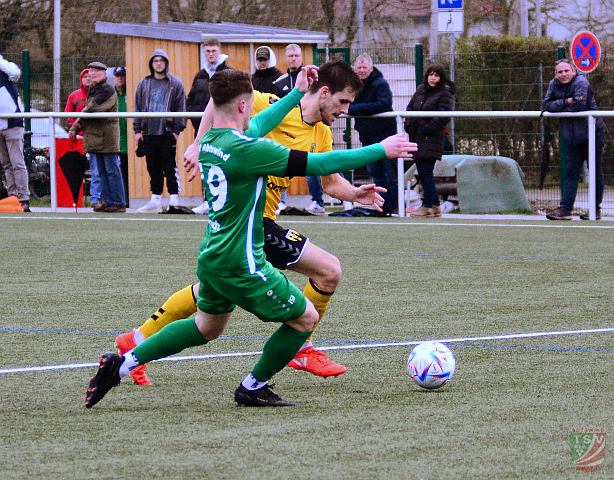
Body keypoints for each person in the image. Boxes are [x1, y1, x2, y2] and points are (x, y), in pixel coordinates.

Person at [85, 67, 415, 409]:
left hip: (213, 254)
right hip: (242, 261)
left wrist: (295, 93)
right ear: (245, 105)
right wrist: (381, 148)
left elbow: (262, 124)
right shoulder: (252, 151)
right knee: (305, 318)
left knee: (206, 328)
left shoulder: (213, 141)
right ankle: (253, 386)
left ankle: (122, 363)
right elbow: (320, 164)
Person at [544, 59, 606, 221]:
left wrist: (563, 106)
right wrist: (566, 101)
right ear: (555, 74)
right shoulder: (553, 84)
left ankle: (595, 210)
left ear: (573, 71)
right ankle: (565, 210)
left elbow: (579, 105)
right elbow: (546, 105)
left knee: (595, 171)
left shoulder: (581, 82)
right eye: (560, 72)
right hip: (570, 137)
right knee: (570, 172)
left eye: (566, 71)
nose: (563, 74)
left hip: (592, 134)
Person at [273, 44, 325, 215]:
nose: (293, 58)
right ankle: (280, 201)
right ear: (286, 58)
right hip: (287, 131)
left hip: (309, 130)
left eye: (296, 55)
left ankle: (318, 201)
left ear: (301, 57)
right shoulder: (279, 82)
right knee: (280, 164)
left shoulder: (313, 80)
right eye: (290, 56)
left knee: (313, 166)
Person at [134, 49, 186, 213]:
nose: (158, 63)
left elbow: (181, 108)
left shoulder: (175, 84)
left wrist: (176, 131)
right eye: (155, 60)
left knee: (170, 167)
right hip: (149, 131)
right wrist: (137, 130)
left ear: (166, 63)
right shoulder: (144, 84)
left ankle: (174, 199)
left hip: (167, 131)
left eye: (161, 60)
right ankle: (155, 199)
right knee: (153, 167)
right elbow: (138, 107)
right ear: (151, 63)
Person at [69, 62, 126, 213]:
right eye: (90, 71)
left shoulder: (106, 89)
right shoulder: (94, 90)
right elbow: (88, 111)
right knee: (99, 172)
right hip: (94, 138)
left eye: (96, 71)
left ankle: (117, 202)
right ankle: (104, 202)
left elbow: (91, 108)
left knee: (111, 170)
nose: (92, 74)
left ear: (104, 74)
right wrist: (76, 126)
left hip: (106, 138)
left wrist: (75, 126)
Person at [348, 53, 399, 216]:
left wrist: (355, 109)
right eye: (359, 67)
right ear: (355, 69)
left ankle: (392, 205)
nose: (362, 70)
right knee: (375, 174)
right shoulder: (354, 86)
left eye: (365, 67)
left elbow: (383, 104)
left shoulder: (380, 84)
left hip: (384, 135)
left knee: (388, 173)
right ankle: (383, 206)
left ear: (371, 68)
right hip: (367, 136)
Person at [403, 64, 454, 217]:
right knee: (424, 172)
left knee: (425, 172)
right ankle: (435, 205)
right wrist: (409, 125)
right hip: (417, 137)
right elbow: (410, 108)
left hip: (430, 139)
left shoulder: (444, 93)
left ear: (441, 78)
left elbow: (443, 116)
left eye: (436, 75)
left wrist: (426, 129)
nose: (433, 78)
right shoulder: (420, 89)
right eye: (430, 74)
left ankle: (427, 206)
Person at [0, 53, 29, 212]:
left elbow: (16, 73)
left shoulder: (6, 72)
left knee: (17, 163)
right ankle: (13, 197)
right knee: (6, 164)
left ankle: (23, 198)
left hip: (13, 124)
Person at [186, 38, 231, 132]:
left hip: (223, 129)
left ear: (220, 51)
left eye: (213, 51)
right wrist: (196, 119)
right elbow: (190, 100)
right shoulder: (200, 76)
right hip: (201, 128)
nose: (210, 54)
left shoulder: (229, 74)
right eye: (208, 51)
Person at [113, 66, 129, 206]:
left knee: (126, 171)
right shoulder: (111, 94)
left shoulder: (129, 93)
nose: (120, 78)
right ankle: (118, 199)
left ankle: (127, 199)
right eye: (118, 76)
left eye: (122, 75)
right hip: (115, 139)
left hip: (127, 139)